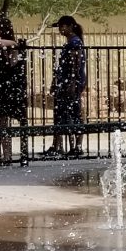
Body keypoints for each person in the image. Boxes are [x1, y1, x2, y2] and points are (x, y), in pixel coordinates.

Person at [0, 17, 28, 164]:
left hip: (6, 90)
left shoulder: (11, 45)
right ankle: (4, 156)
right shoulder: (1, 47)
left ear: (1, 30)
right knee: (0, 123)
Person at [41, 16, 88, 158]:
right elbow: (62, 67)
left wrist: (73, 83)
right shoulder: (70, 43)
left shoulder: (75, 43)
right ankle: (58, 146)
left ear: (70, 26)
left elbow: (76, 64)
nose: (61, 29)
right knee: (60, 113)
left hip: (70, 84)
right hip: (65, 83)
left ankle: (77, 147)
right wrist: (55, 82)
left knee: (74, 113)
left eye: (63, 26)